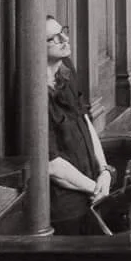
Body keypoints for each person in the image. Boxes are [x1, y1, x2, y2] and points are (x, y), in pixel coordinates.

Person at [45, 16, 113, 235]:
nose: (65, 38)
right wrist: (96, 189)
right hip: (66, 206)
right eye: (54, 38)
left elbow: (85, 122)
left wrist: (104, 171)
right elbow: (51, 165)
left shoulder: (66, 73)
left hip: (93, 187)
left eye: (62, 31)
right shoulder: (34, 95)